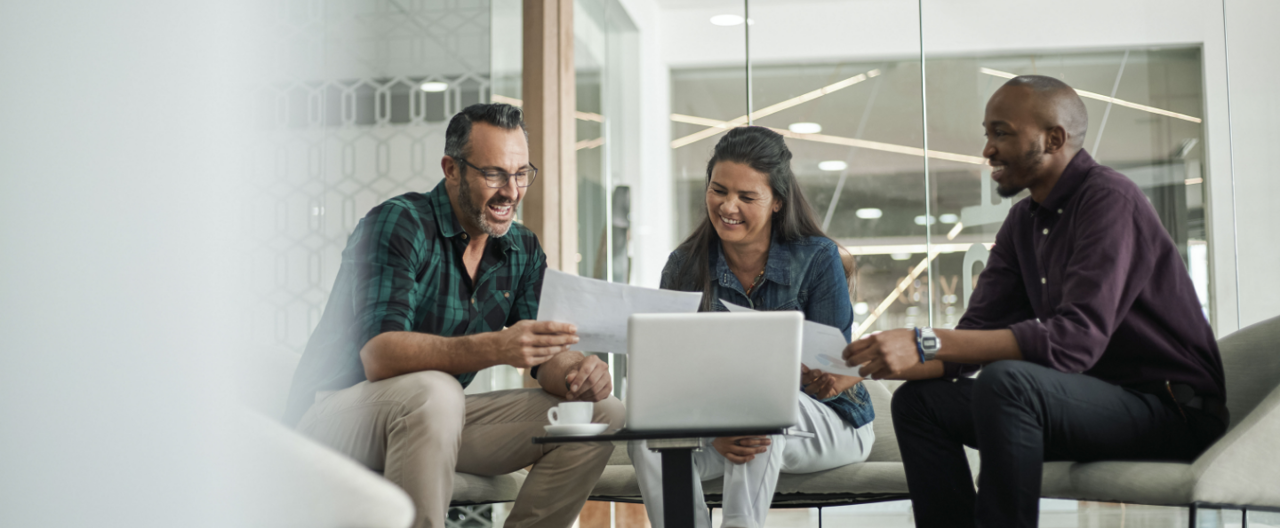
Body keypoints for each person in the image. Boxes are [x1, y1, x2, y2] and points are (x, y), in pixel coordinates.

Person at [843, 76, 1228, 528]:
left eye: (1001, 133)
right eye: (987, 134)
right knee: (919, 402)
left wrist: (925, 341)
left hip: (1170, 412)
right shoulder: (1023, 222)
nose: (987, 149)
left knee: (1008, 383)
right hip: (1083, 408)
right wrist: (865, 361)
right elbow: (970, 342)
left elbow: (1073, 342)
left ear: (1054, 139)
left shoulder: (1109, 199)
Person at [281, 103, 625, 528]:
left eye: (520, 174)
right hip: (333, 415)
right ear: (452, 169)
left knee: (603, 412)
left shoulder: (522, 248)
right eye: (494, 174)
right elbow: (380, 356)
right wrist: (497, 347)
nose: (511, 191)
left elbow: (542, 354)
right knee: (437, 390)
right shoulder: (398, 223)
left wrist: (578, 371)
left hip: (433, 419)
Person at [629, 126, 876, 528]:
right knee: (646, 437)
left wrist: (736, 413)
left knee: (757, 409)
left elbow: (833, 364)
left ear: (777, 201)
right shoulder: (684, 265)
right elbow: (669, 376)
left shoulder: (816, 258)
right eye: (718, 190)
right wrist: (712, 424)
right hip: (719, 422)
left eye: (747, 197)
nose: (728, 206)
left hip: (828, 422)